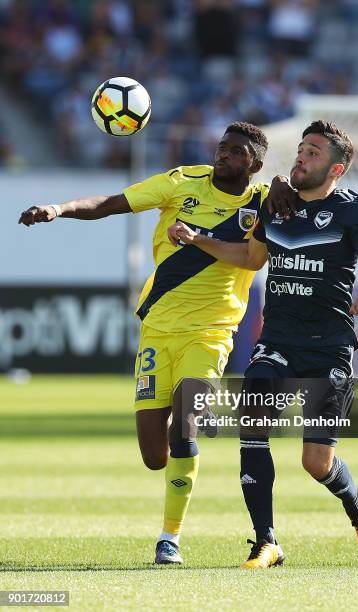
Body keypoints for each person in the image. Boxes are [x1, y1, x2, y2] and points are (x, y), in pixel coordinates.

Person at [18, 121, 284, 565]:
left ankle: (170, 538)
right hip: (158, 329)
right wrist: (57, 208)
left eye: (235, 152)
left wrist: (281, 184)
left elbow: (298, 197)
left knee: (186, 424)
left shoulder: (263, 204)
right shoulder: (181, 182)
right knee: (154, 456)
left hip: (212, 331)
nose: (223, 155)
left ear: (254, 164)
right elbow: (110, 203)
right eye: (222, 147)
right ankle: (186, 440)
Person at [168, 119, 358, 568]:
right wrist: (200, 240)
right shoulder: (277, 206)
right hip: (277, 340)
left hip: (329, 347)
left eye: (313, 153)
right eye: (301, 149)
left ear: (336, 169)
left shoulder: (351, 212)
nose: (301, 157)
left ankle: (356, 503)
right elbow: (251, 258)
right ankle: (266, 541)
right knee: (252, 427)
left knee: (317, 463)